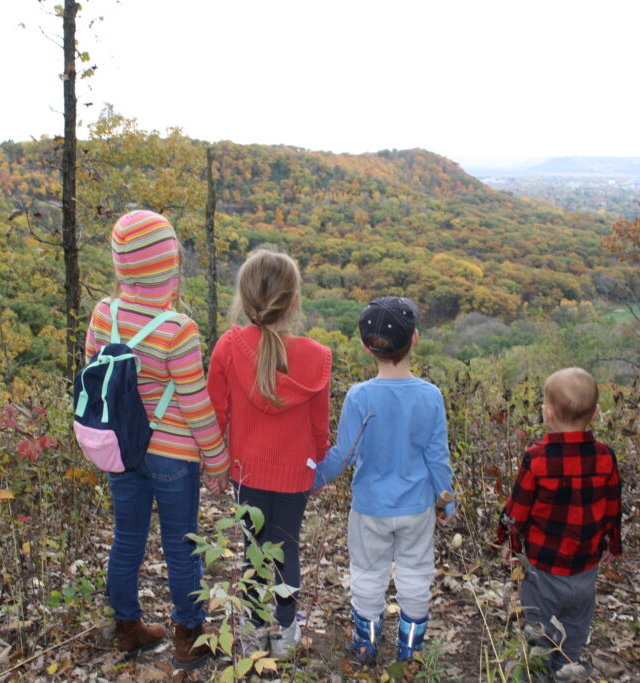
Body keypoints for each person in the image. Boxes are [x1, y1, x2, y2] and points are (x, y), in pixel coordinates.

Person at [84, 210, 229, 670]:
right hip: (173, 456)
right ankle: (189, 636)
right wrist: (218, 460)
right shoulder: (178, 329)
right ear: (168, 264)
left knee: (126, 538)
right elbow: (195, 405)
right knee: (182, 544)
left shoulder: (102, 314)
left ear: (122, 265)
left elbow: (95, 378)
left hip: (121, 450)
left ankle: (128, 629)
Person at [315, 296, 455, 663]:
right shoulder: (430, 396)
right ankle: (411, 649)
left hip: (370, 509)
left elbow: (342, 457)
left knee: (367, 574)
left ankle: (366, 645)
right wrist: (447, 500)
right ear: (416, 339)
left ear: (366, 346)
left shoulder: (360, 396)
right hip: (417, 507)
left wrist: (310, 478)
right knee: (415, 575)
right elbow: (437, 456)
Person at [206, 248, 332, 657]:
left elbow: (216, 414)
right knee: (286, 546)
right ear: (294, 300)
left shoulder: (228, 348)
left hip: (247, 472)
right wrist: (316, 464)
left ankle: (255, 627)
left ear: (245, 300)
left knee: (253, 548)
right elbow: (319, 428)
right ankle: (286, 630)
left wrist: (216, 466)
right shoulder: (316, 357)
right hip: (294, 474)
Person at [495, 367, 622, 682]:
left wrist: (508, 541)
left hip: (543, 567)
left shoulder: (537, 458)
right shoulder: (605, 456)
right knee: (576, 623)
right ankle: (566, 668)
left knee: (537, 626)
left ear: (547, 412)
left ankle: (535, 674)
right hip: (585, 567)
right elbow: (612, 505)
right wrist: (613, 543)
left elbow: (518, 509)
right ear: (594, 414)